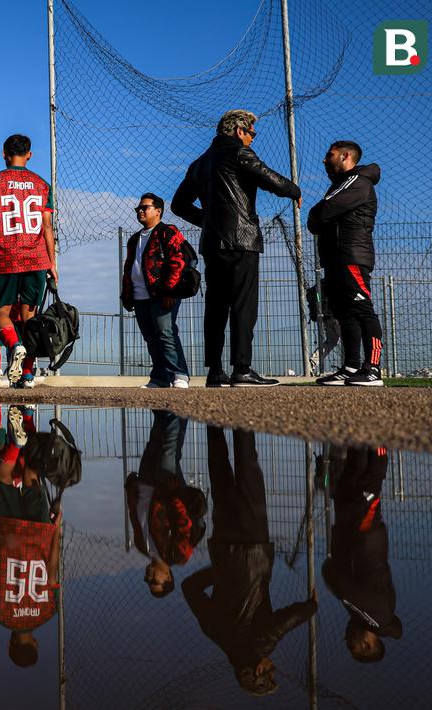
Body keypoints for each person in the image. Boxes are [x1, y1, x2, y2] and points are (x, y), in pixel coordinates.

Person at [181, 425, 317, 696]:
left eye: (270, 669)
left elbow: (283, 624)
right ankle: (213, 417)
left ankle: (241, 418)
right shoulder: (216, 634)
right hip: (224, 548)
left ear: (258, 670)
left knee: (248, 471)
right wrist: (219, 572)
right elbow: (189, 588)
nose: (271, 664)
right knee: (220, 472)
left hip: (253, 548)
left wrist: (310, 607)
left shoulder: (258, 647)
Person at [172, 109, 302, 388]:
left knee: (216, 307)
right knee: (243, 305)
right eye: (251, 133)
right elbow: (271, 180)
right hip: (242, 240)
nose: (253, 139)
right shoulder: (239, 153)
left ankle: (216, 371)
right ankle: (242, 369)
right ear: (238, 131)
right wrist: (295, 191)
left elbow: (178, 205)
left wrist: (208, 220)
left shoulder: (199, 163)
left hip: (213, 244)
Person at [0, 405, 62, 668]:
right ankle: (15, 445)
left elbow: (52, 571)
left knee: (32, 476)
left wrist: (56, 533)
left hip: (40, 534)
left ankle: (28, 421)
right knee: (2, 478)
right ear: (11, 643)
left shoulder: (49, 612)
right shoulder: (1, 616)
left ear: (35, 643)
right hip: (8, 535)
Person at [0, 134, 57, 388]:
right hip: (36, 258)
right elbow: (47, 226)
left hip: (6, 257)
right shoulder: (41, 184)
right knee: (30, 318)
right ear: (29, 155)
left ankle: (15, 346)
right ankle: (27, 375)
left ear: (4, 153)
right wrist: (52, 263)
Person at [308, 141, 384, 386]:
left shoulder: (357, 182)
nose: (324, 160)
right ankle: (351, 367)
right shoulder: (340, 185)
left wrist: (319, 214)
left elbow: (321, 213)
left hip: (351, 257)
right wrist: (319, 215)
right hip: (335, 259)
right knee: (344, 314)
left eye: (329, 155)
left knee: (362, 310)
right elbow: (315, 222)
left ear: (345, 156)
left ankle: (373, 368)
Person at [320, 445, 401, 663]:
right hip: (362, 537)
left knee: (355, 482)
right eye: (351, 644)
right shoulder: (376, 617)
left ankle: (363, 433)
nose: (347, 637)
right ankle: (377, 438)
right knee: (366, 484)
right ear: (367, 644)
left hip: (357, 537)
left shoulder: (370, 618)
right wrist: (330, 575)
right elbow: (344, 588)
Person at [124, 410, 204, 598]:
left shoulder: (141, 547)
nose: (149, 577)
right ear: (168, 577)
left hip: (145, 482)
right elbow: (184, 524)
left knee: (154, 443)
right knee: (170, 446)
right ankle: (178, 407)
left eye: (147, 580)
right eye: (154, 581)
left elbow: (135, 516)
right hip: (165, 487)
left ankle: (163, 412)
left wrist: (130, 490)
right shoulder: (178, 555)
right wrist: (174, 496)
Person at [121, 193, 192, 388]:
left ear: (158, 211)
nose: (140, 211)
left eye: (145, 207)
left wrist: (169, 291)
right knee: (151, 338)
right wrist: (126, 294)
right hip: (139, 296)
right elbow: (130, 268)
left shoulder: (168, 232)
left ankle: (180, 374)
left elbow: (178, 261)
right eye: (138, 208)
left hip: (161, 295)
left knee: (166, 333)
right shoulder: (134, 239)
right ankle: (160, 378)